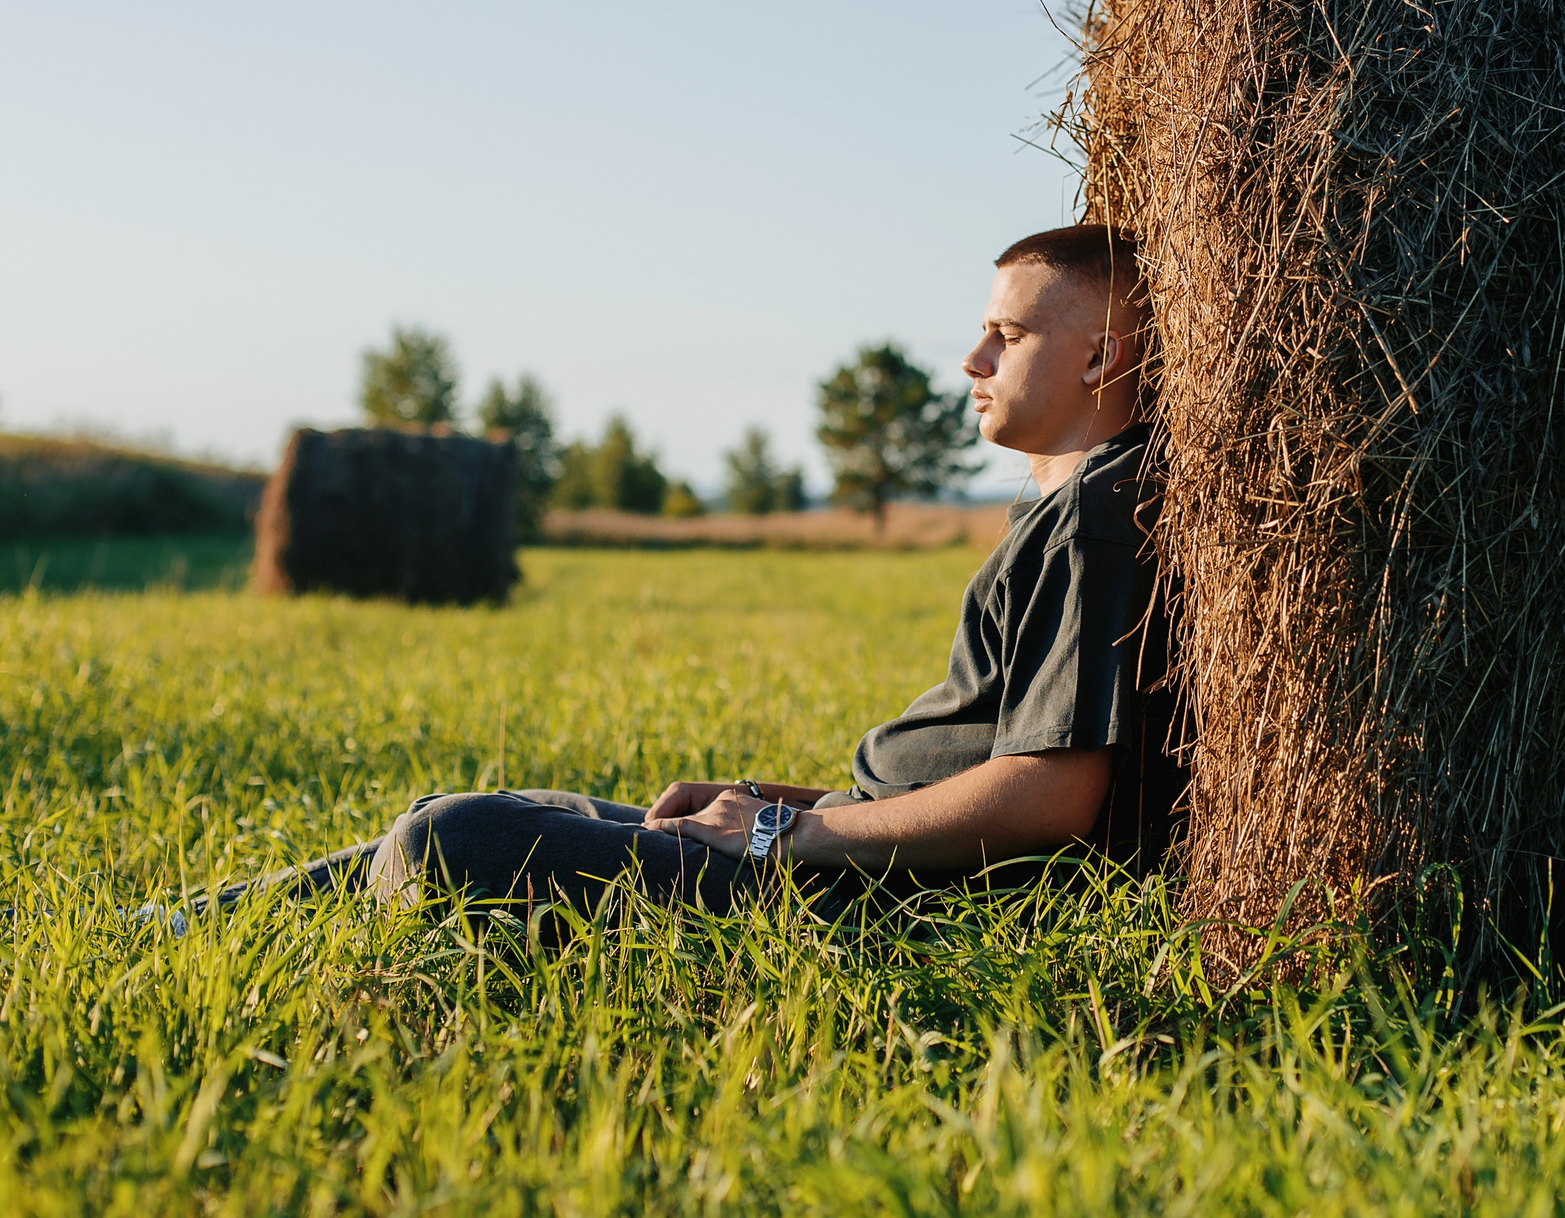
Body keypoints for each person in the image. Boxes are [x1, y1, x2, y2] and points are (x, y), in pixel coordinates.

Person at [199, 224, 1179, 922]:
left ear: (1099, 358)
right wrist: (784, 806)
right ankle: (181, 925)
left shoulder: (1091, 518)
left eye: (1006, 337)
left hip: (873, 891)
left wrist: (777, 840)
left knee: (454, 839)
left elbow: (1049, 799)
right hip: (850, 847)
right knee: (481, 816)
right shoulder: (1065, 512)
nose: (972, 359)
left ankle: (211, 927)